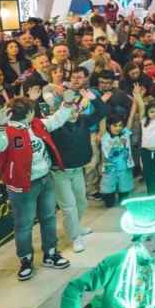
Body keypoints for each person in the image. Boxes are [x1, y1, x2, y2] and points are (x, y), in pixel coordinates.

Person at [0, 96, 74, 281]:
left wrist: (67, 104)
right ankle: (26, 260)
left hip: (45, 179)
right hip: (22, 187)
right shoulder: (7, 132)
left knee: (48, 217)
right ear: (29, 113)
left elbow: (55, 120)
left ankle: (51, 253)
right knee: (24, 225)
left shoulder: (36, 124)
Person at [49, 88, 109, 253]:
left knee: (81, 202)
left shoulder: (83, 121)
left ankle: (76, 226)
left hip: (77, 170)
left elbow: (103, 111)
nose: (73, 114)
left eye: (75, 110)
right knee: (69, 206)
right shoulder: (56, 126)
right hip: (60, 173)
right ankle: (75, 237)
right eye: (69, 111)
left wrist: (93, 98)